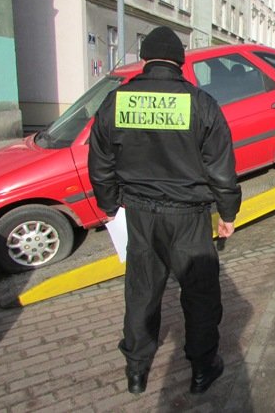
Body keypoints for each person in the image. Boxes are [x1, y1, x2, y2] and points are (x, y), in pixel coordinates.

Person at [88, 26, 242, 395]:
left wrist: (110, 206)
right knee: (200, 294)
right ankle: (203, 368)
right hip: (188, 217)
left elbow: (100, 163)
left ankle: (137, 371)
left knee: (141, 293)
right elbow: (221, 168)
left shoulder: (117, 101)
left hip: (139, 215)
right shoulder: (201, 103)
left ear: (145, 59)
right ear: (180, 62)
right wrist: (228, 213)